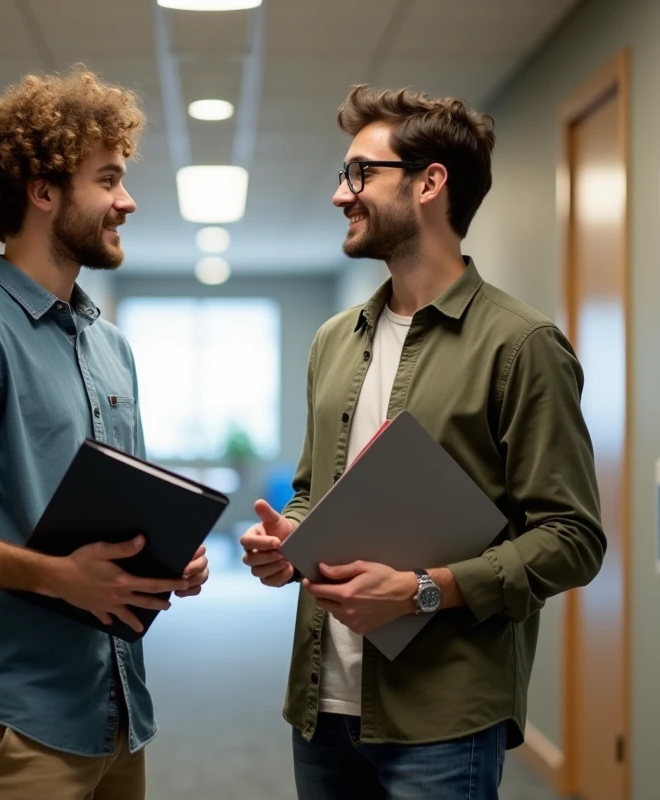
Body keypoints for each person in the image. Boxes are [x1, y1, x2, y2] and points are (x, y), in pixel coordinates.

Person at [240, 84, 606, 800]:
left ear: (429, 182)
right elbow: (317, 491)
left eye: (359, 173)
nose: (340, 195)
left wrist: (421, 593)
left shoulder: (521, 345)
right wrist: (293, 541)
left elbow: (572, 538)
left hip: (444, 716)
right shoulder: (332, 342)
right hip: (322, 708)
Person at [0, 66, 209, 800]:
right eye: (109, 179)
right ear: (44, 191)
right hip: (15, 728)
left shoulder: (108, 344)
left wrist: (169, 559)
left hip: (117, 710)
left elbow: (125, 507)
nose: (127, 200)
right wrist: (55, 575)